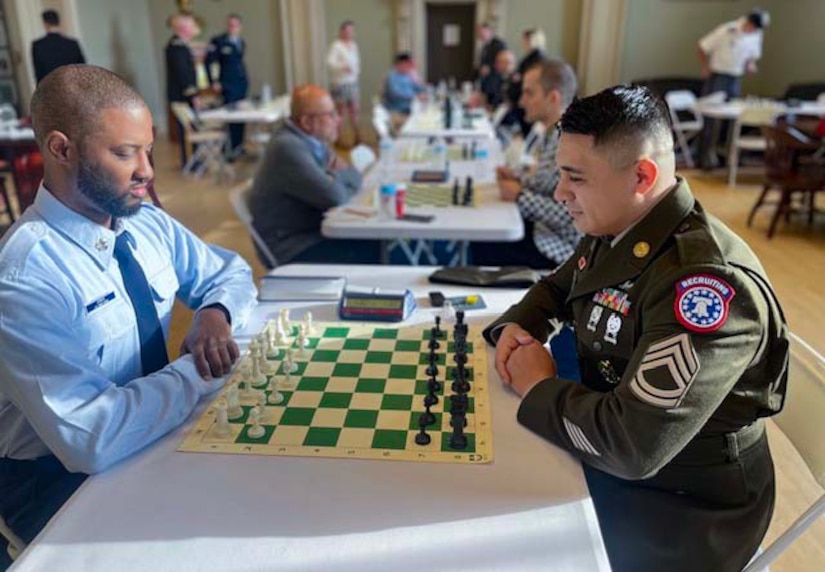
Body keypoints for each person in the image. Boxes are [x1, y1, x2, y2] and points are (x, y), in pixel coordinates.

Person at [483, 85, 787, 572]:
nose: (560, 193)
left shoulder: (705, 287)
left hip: (681, 507)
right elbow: (560, 287)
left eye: (574, 178)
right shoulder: (622, 226)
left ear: (641, 176)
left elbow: (632, 445)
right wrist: (522, 326)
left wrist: (538, 385)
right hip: (620, 453)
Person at [0, 65, 257, 565]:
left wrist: (215, 313)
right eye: (124, 153)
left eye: (147, 148)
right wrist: (198, 372)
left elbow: (231, 272)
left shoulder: (145, 222)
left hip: (149, 429)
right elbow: (92, 438)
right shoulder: (25, 277)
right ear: (61, 149)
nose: (147, 170)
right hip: (52, 478)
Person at [249, 84, 380, 267]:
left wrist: (333, 176)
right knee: (382, 251)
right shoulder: (288, 148)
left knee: (381, 244)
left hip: (313, 232)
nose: (339, 120)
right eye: (331, 114)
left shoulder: (314, 141)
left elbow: (355, 177)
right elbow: (336, 197)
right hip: (292, 249)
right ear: (307, 122)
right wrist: (336, 175)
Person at [472, 59, 581, 270]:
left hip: (556, 246)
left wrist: (520, 196)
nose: (521, 101)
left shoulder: (572, 143)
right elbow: (547, 183)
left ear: (553, 98)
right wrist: (516, 177)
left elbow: (570, 213)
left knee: (483, 241)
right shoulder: (555, 133)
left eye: (529, 93)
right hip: (544, 229)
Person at [697, 9, 770, 169]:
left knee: (732, 118)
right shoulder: (727, 30)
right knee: (712, 119)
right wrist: (705, 66)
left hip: (735, 78)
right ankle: (704, 157)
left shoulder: (756, 34)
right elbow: (703, 46)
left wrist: (750, 65)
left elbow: (752, 56)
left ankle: (726, 157)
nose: (754, 31)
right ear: (748, 22)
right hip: (718, 76)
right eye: (753, 27)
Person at [206, 13, 249, 158]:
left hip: (241, 84)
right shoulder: (218, 41)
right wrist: (214, 81)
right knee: (230, 117)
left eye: (235, 25)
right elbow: (210, 63)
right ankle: (228, 150)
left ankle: (239, 146)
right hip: (227, 84)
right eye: (230, 25)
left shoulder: (240, 42)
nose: (232, 28)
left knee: (241, 116)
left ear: (240, 27)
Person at [165, 13, 200, 167]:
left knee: (191, 129)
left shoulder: (180, 45)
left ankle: (194, 159)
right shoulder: (176, 47)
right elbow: (183, 74)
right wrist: (193, 96)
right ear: (184, 28)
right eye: (192, 25)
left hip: (183, 97)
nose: (194, 29)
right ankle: (191, 161)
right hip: (182, 98)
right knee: (188, 131)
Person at [327, 20, 362, 145]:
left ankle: (358, 137)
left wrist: (356, 72)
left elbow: (356, 62)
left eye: (352, 30)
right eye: (347, 30)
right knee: (340, 112)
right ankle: (338, 139)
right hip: (340, 83)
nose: (350, 33)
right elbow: (330, 63)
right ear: (341, 31)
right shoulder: (336, 45)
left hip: (353, 82)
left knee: (355, 110)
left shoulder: (353, 45)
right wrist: (343, 67)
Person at [508, 28, 547, 137]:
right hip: (520, 98)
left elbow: (530, 79)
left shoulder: (538, 57)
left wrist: (518, 77)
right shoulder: (531, 56)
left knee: (528, 131)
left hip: (527, 100)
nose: (523, 43)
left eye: (525, 40)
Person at [30, 9, 85, 84]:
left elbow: (38, 74)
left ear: (45, 23)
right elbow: (82, 68)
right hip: (73, 86)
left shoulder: (38, 45)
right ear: (58, 22)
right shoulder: (72, 44)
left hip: (51, 87)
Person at [382, 52, 426, 132]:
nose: (409, 66)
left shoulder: (408, 75)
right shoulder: (392, 77)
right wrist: (414, 96)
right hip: (397, 112)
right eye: (407, 64)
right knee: (418, 127)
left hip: (410, 110)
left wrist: (417, 79)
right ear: (399, 64)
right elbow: (395, 93)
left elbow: (419, 89)